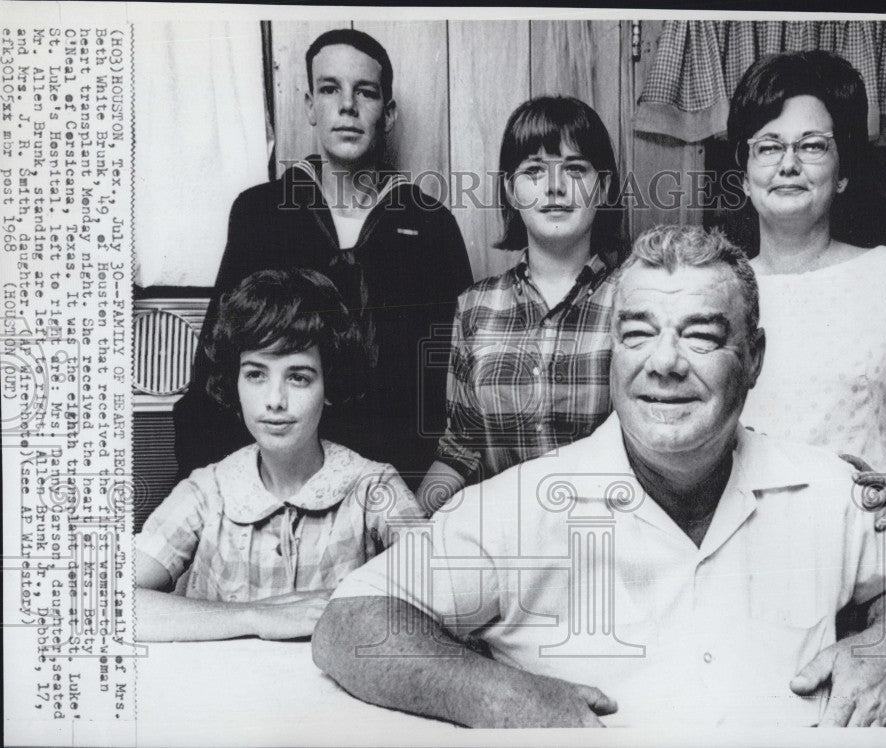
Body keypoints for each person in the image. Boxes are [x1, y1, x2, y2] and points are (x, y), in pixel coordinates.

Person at [313, 225, 886, 727]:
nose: (664, 363)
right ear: (611, 352)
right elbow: (351, 623)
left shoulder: (828, 490)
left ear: (753, 358)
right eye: (638, 335)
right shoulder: (520, 507)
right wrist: (502, 699)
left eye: (701, 336)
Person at [173, 28, 472, 488]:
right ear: (311, 105)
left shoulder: (429, 224)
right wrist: (216, 485)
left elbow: (455, 373)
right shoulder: (261, 212)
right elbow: (218, 360)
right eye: (330, 89)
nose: (347, 105)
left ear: (387, 113)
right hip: (272, 475)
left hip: (393, 479)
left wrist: (426, 488)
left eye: (365, 92)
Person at [728, 50, 886, 527]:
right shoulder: (716, 287)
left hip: (865, 552)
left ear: (842, 173)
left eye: (812, 146)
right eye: (768, 146)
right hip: (737, 550)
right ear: (744, 176)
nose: (788, 164)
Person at [136, 269, 423, 642]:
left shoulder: (373, 488)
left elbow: (448, 602)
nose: (274, 400)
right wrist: (254, 617)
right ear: (234, 381)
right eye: (256, 374)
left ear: (329, 385)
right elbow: (103, 606)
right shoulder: (207, 491)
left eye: (298, 377)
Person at [416, 96, 626, 512]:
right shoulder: (475, 307)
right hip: (508, 539)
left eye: (575, 169)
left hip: (611, 534)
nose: (554, 187)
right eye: (533, 171)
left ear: (601, 188)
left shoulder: (634, 297)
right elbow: (461, 448)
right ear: (512, 191)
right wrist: (409, 521)